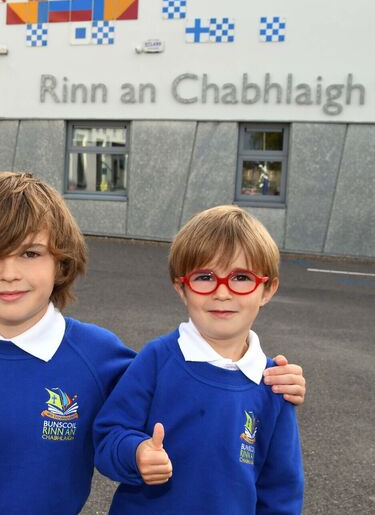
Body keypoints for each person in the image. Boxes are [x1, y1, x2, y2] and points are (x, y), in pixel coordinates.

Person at [0, 174, 306, 515]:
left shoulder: (100, 357)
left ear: (61, 262)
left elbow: (189, 387)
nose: (9, 273)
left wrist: (263, 379)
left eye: (30, 253)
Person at [94, 205, 304, 514]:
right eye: (205, 277)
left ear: (267, 289)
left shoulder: (275, 383)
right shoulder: (157, 359)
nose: (222, 292)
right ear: (181, 288)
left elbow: (281, 488)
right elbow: (108, 435)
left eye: (241, 277)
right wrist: (136, 452)